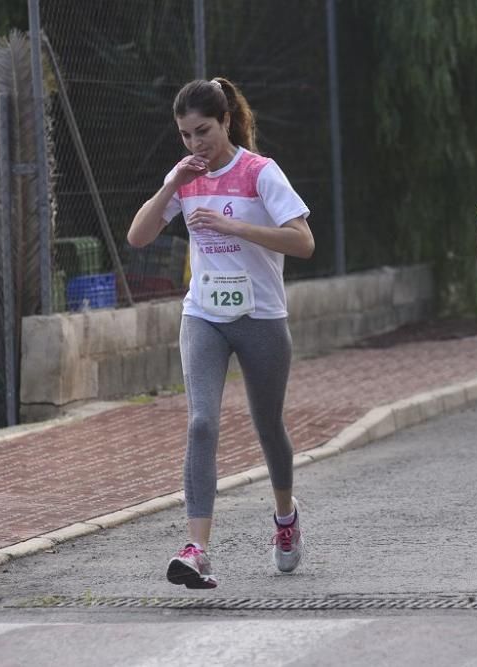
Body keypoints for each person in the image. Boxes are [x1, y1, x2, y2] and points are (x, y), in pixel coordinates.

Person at [127, 77, 315, 589]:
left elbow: (303, 242)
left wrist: (238, 228)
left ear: (227, 121)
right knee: (202, 423)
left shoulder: (260, 173)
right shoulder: (184, 175)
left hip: (260, 316)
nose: (196, 144)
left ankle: (285, 519)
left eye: (203, 131)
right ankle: (197, 550)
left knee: (268, 425)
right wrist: (171, 185)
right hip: (204, 316)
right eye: (186, 135)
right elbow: (138, 236)